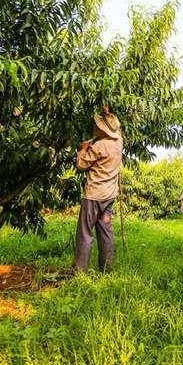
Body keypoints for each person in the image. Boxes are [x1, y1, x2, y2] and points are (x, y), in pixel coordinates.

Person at [73, 107, 123, 272]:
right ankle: (106, 269)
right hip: (109, 194)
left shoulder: (99, 146)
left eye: (98, 126)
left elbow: (81, 165)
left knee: (85, 232)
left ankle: (80, 271)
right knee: (105, 231)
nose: (95, 127)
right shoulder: (119, 142)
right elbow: (118, 131)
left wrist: (83, 149)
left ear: (104, 131)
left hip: (94, 195)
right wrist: (108, 115)